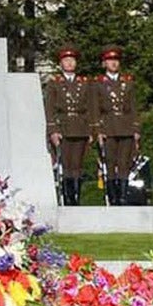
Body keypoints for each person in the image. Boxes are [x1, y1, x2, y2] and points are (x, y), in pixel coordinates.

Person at [42, 46, 96, 206]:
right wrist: (53, 130)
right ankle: (68, 198)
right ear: (61, 64)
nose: (70, 63)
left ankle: (77, 197)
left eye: (72, 60)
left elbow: (90, 107)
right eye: (66, 60)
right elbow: (50, 108)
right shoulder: (55, 83)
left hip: (80, 128)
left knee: (78, 165)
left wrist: (92, 129)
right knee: (65, 165)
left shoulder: (84, 83)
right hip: (63, 128)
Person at [94, 47, 141, 207]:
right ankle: (112, 197)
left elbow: (134, 107)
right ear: (104, 63)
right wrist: (98, 131)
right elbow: (95, 109)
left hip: (126, 127)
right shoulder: (99, 83)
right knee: (110, 163)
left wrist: (136, 129)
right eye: (110, 61)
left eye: (116, 60)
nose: (114, 63)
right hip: (108, 127)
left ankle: (122, 197)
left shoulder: (127, 82)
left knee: (124, 163)